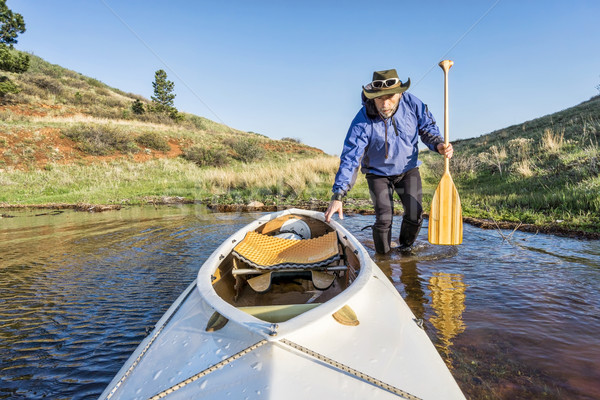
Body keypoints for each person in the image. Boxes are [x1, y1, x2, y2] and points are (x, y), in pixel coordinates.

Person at [324, 69, 454, 254]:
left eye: (390, 97)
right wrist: (339, 195)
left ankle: (404, 249)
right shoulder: (362, 120)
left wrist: (438, 144)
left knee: (415, 214)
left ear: (400, 93)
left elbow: (427, 128)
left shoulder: (413, 104)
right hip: (377, 174)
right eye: (379, 98)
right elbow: (351, 157)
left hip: (408, 170)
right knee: (384, 218)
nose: (385, 104)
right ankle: (383, 260)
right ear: (372, 97)